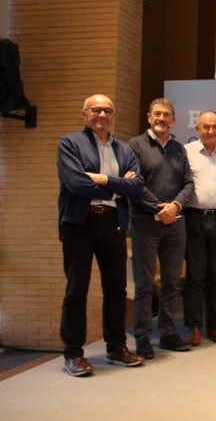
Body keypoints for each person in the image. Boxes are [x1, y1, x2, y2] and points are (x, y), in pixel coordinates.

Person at [57, 94, 145, 376]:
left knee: (116, 289)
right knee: (77, 290)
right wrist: (118, 189)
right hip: (79, 223)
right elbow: (76, 183)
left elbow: (137, 185)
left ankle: (116, 348)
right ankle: (73, 354)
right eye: (96, 110)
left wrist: (103, 179)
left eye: (107, 111)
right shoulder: (70, 143)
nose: (102, 115)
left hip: (113, 223)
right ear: (84, 113)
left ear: (113, 115)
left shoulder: (124, 149)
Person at [129, 98, 195, 358]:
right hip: (145, 223)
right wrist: (159, 208)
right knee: (145, 284)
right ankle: (143, 337)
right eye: (157, 113)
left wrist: (175, 206)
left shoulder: (179, 148)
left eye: (166, 114)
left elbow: (189, 183)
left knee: (171, 282)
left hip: (175, 224)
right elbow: (134, 182)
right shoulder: (135, 146)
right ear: (149, 117)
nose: (161, 118)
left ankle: (167, 333)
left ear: (173, 120)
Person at [183, 110, 216, 345]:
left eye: (214, 127)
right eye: (205, 127)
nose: (210, 131)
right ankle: (193, 326)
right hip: (193, 218)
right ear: (197, 129)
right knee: (195, 275)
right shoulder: (185, 152)